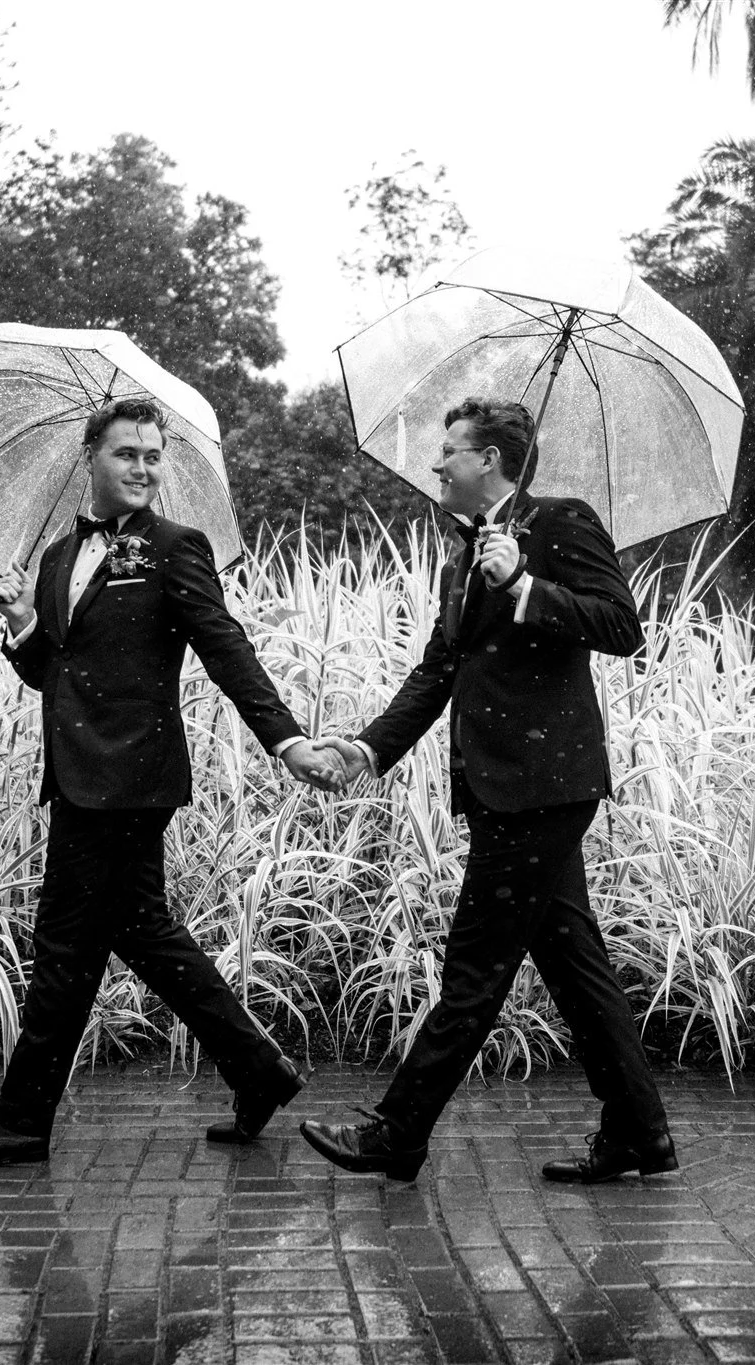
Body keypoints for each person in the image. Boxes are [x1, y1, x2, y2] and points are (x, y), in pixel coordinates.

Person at [0, 397, 343, 1169]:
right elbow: (56, 673)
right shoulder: (51, 561)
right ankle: (258, 1068)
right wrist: (19, 620)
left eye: (152, 455)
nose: (143, 467)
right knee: (142, 933)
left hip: (133, 780)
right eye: (126, 453)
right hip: (78, 777)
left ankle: (19, 1119)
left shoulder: (177, 548)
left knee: (64, 950)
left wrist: (286, 740)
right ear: (91, 456)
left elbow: (225, 647)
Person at [299, 397, 679, 1185]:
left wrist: (527, 585)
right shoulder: (459, 551)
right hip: (502, 787)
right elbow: (441, 669)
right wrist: (368, 748)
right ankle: (640, 1134)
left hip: (545, 785)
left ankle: (398, 1132)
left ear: (493, 462)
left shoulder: (558, 523)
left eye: (449, 451)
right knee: (577, 967)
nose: (437, 464)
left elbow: (621, 624)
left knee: (472, 972)